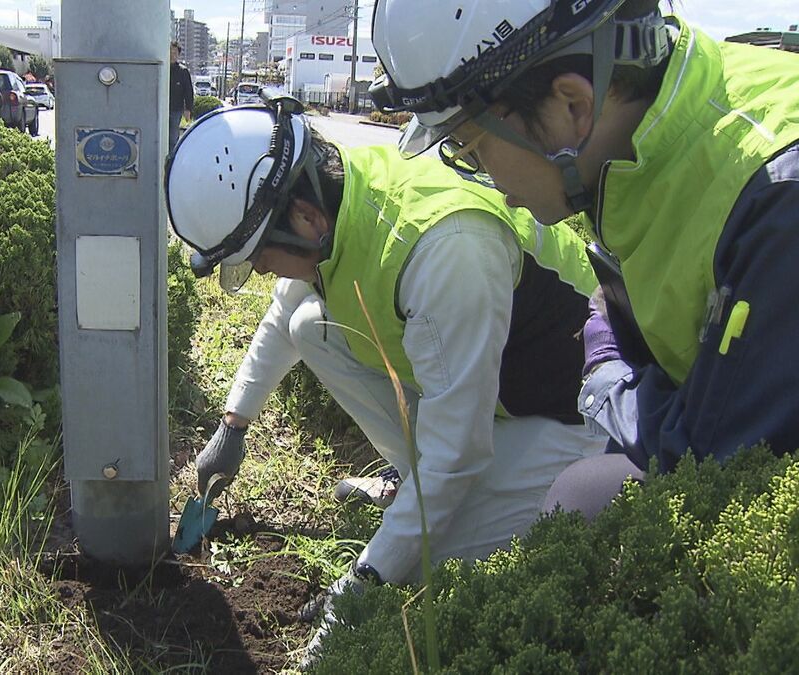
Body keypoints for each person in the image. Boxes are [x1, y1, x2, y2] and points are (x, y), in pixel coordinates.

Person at [369, 0, 799, 516]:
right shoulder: (630, 136)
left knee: (584, 499)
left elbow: (737, 473)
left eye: (469, 147)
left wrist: (606, 379)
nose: (483, 176)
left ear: (572, 104)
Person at [164, 93, 607, 661]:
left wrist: (362, 587)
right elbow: (284, 311)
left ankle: (443, 505)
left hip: (573, 420)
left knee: (431, 562)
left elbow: (455, 457)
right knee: (310, 325)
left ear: (304, 218)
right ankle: (413, 493)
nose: (261, 273)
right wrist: (234, 425)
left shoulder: (446, 251)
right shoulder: (340, 195)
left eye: (259, 258)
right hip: (489, 399)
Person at [168, 41, 194, 153]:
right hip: (159, 109)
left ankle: (171, 160)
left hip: (175, 109)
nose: (172, 55)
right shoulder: (161, 68)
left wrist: (188, 109)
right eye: (170, 52)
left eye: (175, 53)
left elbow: (188, 91)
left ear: (178, 55)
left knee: (173, 138)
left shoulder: (183, 71)